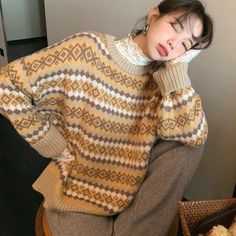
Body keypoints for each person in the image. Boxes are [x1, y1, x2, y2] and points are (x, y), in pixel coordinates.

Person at [0, 0, 213, 235]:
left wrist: (176, 70)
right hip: (78, 189)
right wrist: (50, 141)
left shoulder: (165, 81)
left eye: (186, 44)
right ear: (153, 16)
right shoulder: (88, 48)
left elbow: (195, 136)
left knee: (189, 146)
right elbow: (6, 85)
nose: (174, 43)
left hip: (137, 191)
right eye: (174, 26)